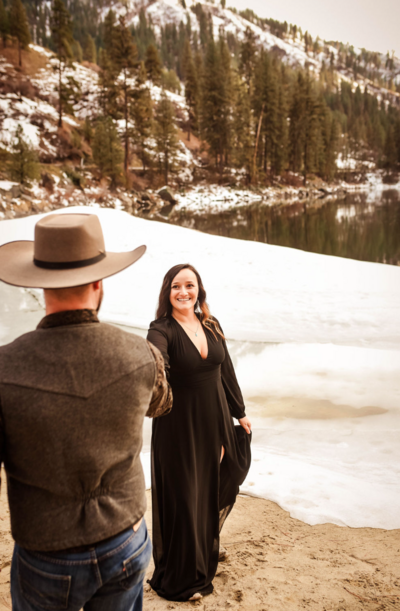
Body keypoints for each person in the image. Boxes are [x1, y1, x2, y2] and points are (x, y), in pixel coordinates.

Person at [0, 212, 172, 611]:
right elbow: (162, 404)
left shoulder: (5, 367)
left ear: (42, 285)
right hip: (125, 536)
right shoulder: (141, 353)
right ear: (99, 282)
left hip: (47, 549)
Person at [147, 263, 252, 602]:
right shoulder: (160, 328)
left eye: (189, 286)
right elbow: (155, 357)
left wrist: (240, 412)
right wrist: (155, 363)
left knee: (214, 485)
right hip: (178, 426)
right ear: (168, 292)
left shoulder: (211, 323)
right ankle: (183, 579)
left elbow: (226, 370)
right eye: (176, 286)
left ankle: (206, 546)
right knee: (184, 496)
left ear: (198, 290)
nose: (183, 292)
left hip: (216, 420)